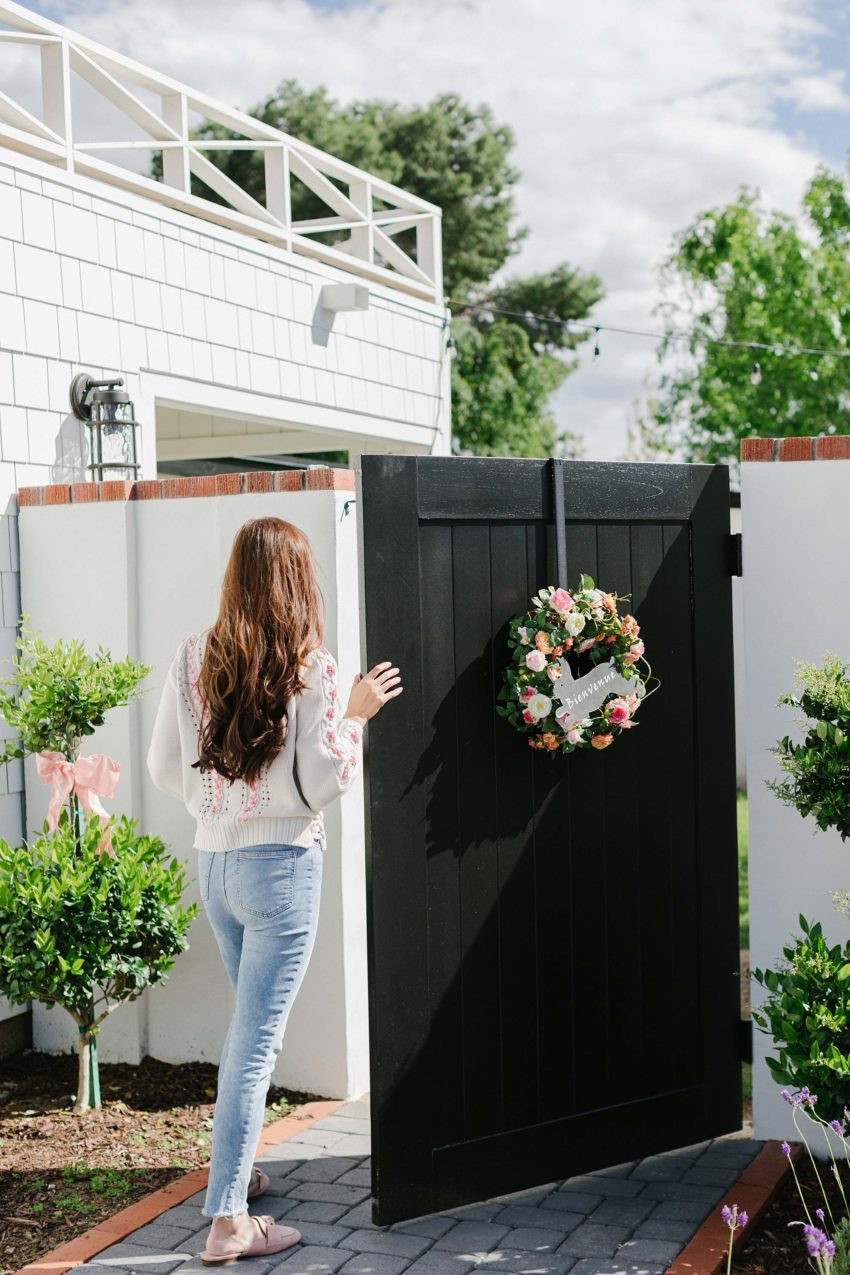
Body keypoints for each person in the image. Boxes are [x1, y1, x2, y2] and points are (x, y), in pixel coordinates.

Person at [146, 516, 402, 1266]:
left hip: (215, 867)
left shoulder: (196, 656)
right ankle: (227, 1220)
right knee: (253, 1046)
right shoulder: (314, 666)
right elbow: (322, 783)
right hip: (282, 867)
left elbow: (167, 764)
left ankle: (238, 1171)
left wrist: (217, 809)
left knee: (247, 1036)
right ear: (298, 579)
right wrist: (356, 716)